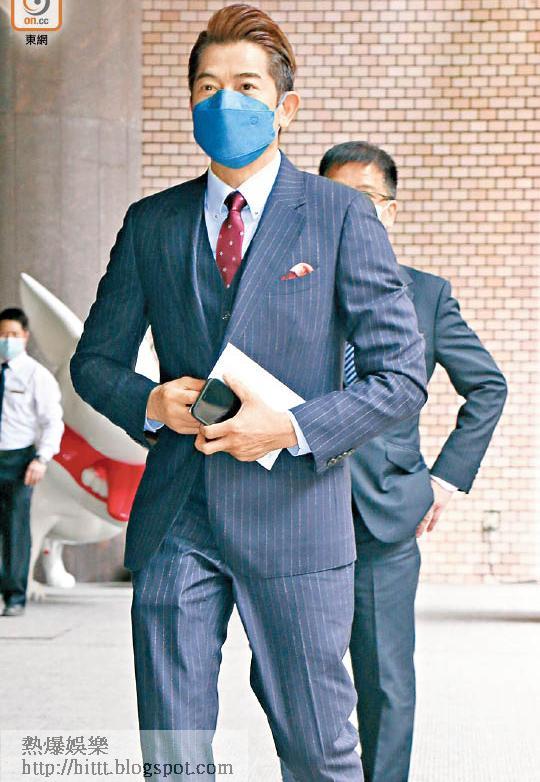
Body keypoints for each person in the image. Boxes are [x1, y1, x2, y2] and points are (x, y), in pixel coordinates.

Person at [69, 6, 427, 780]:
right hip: (177, 519)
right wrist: (150, 402)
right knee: (171, 757)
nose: (224, 102)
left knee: (319, 751)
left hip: (297, 519)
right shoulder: (151, 223)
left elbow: (401, 375)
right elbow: (94, 362)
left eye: (245, 86)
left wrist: (290, 426)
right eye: (207, 87)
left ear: (284, 106)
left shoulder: (340, 215)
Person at [321, 140, 508, 782]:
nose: (350, 212)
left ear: (390, 211)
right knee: (295, 675)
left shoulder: (426, 295)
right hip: (296, 507)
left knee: (385, 680)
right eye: (335, 198)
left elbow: (487, 386)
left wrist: (445, 480)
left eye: (364, 199)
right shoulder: (290, 287)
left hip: (386, 516)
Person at [0, 307, 64, 616]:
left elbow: (52, 421)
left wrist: (41, 458)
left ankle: (14, 597)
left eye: (13, 334)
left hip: (19, 461)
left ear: (25, 336)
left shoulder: (36, 375)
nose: (7, 340)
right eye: (2, 335)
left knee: (15, 530)